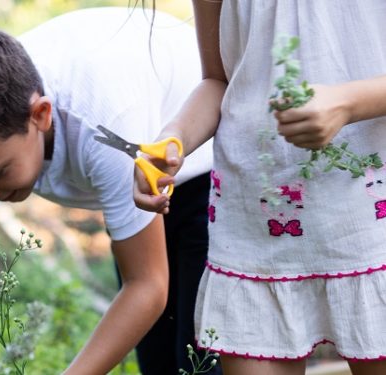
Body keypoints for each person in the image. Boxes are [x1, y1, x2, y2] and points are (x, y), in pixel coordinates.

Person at [0, 7, 214, 374]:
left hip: (206, 156)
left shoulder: (106, 130)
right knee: (159, 359)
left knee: (200, 359)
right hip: (139, 165)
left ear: (41, 114)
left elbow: (146, 285)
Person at [134, 1, 386, 374]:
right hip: (254, 227)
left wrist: (348, 104)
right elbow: (219, 81)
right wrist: (174, 137)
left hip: (368, 222)